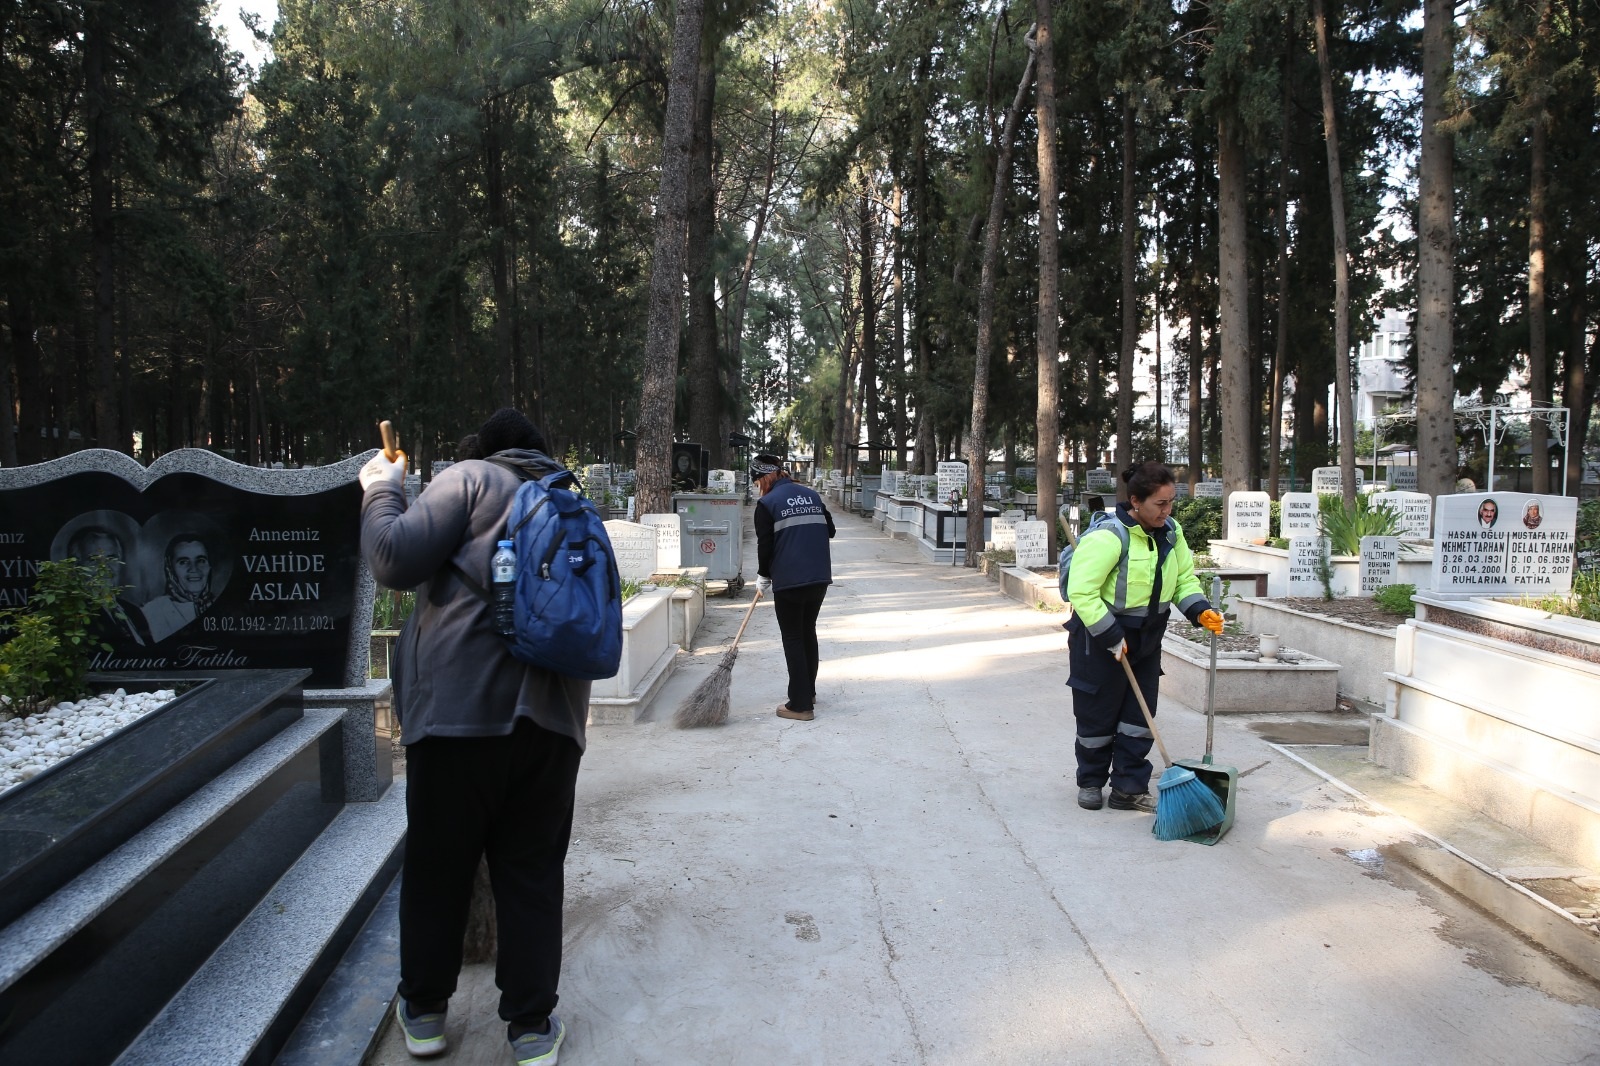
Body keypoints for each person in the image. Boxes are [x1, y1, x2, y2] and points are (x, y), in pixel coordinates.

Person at [361, 408, 583, 1065]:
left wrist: (381, 487)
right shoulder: (572, 502)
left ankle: (427, 1014)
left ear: (485, 449)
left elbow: (392, 558)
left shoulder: (469, 482)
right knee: (533, 872)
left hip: (457, 717)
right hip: (552, 722)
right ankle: (531, 1029)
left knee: (439, 868)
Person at [1064, 461, 1224, 813]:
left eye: (1171, 504)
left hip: (1148, 638)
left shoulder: (1171, 533)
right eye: (1160, 504)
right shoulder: (1109, 537)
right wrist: (1111, 635)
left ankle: (1128, 788)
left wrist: (1199, 610)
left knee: (1139, 718)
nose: (1167, 512)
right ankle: (1091, 781)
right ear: (1136, 501)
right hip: (1100, 636)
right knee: (1097, 715)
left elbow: (1184, 579)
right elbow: (1082, 592)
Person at [751, 453, 835, 722]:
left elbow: (765, 546)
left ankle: (800, 705)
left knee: (793, 637)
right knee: (807, 631)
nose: (757, 487)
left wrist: (763, 575)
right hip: (819, 578)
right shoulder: (811, 495)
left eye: (757, 481)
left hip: (789, 581)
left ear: (765, 477)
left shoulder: (767, 504)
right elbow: (830, 530)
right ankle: (807, 692)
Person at [64, 525, 153, 646]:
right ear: (76, 567)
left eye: (111, 558)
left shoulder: (133, 612)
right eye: (94, 560)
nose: (105, 568)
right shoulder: (70, 615)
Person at [141, 533, 216, 643]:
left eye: (201, 560)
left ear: (210, 566)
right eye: (183, 562)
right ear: (170, 569)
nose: (194, 569)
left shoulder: (223, 607)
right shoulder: (151, 612)